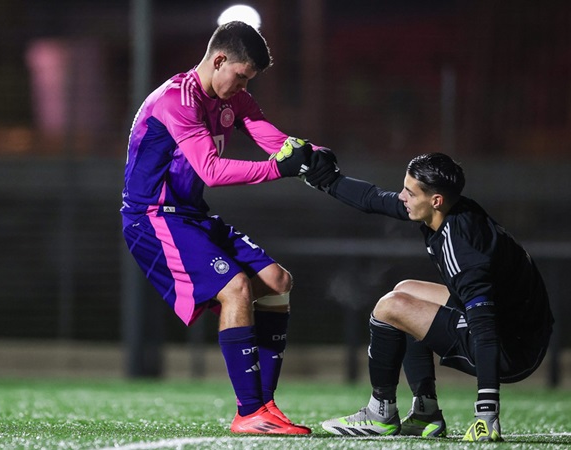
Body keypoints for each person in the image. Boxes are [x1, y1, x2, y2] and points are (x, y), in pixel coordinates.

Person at [121, 21, 323, 435]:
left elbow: (269, 136)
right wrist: (278, 170)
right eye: (241, 75)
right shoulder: (177, 100)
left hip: (190, 213)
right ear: (219, 60)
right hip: (153, 217)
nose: (243, 86)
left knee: (277, 280)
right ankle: (249, 413)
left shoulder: (232, 98)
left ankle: (264, 406)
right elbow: (210, 170)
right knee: (237, 288)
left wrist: (310, 154)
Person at [304, 151, 554, 441]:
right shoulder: (449, 209)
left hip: (512, 347)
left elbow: (485, 330)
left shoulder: (464, 249)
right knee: (405, 290)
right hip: (516, 324)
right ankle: (426, 413)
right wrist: (326, 180)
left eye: (409, 192)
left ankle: (380, 413)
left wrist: (486, 414)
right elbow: (374, 198)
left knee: (391, 307)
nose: (401, 196)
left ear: (435, 200)